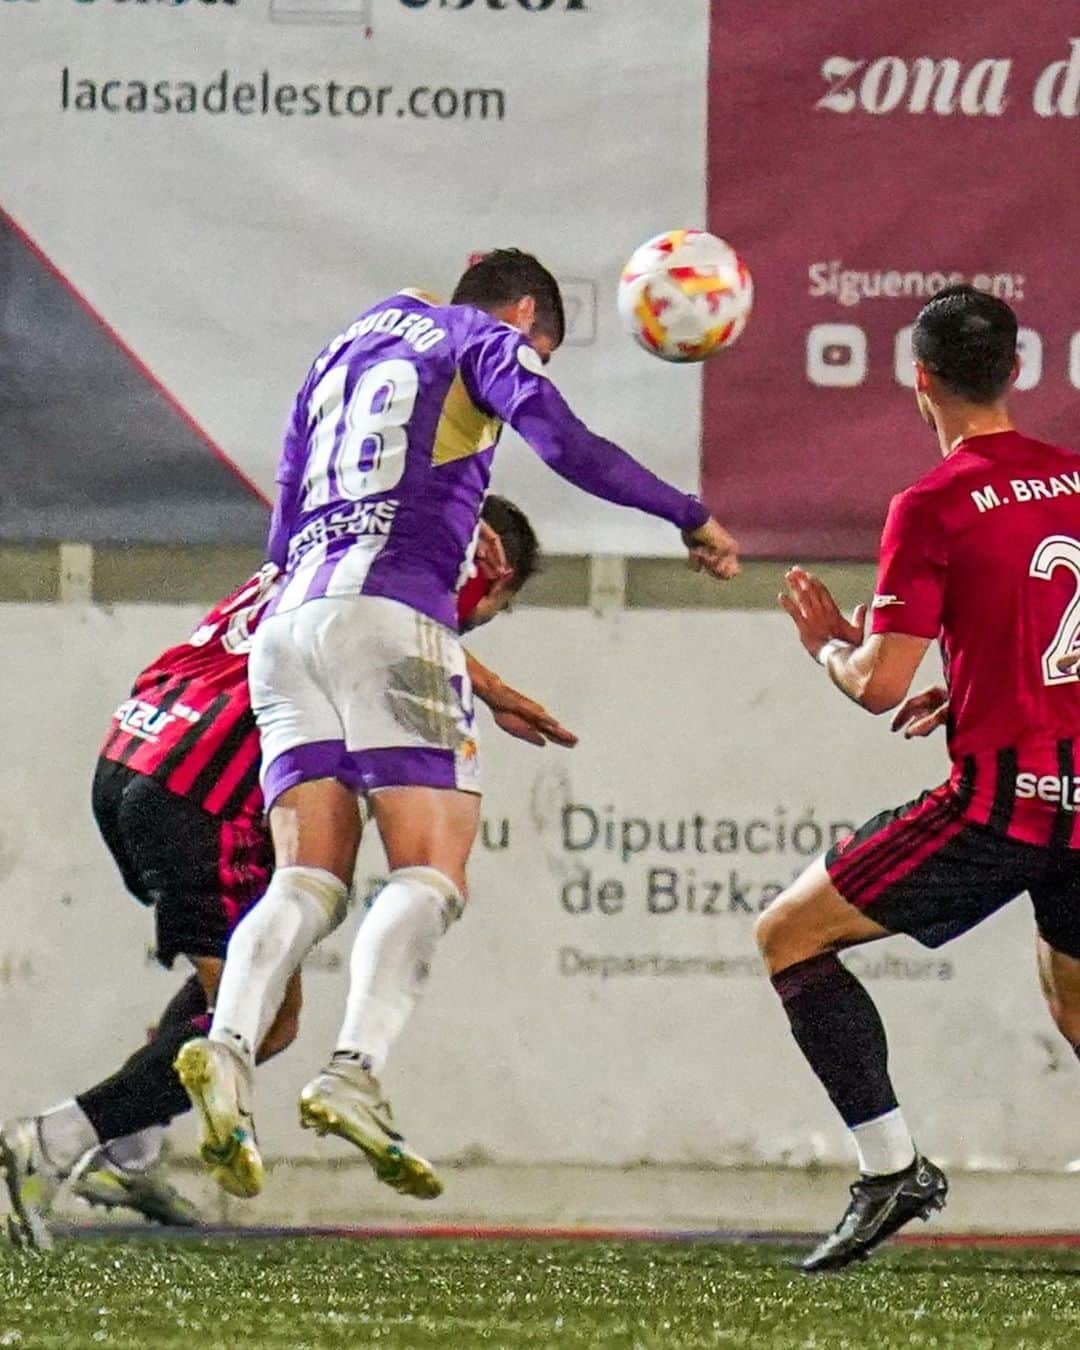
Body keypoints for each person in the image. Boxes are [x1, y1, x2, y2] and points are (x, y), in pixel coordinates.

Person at [175, 248, 740, 1203]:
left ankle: (227, 1048)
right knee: (430, 871)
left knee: (309, 875)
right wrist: (685, 514)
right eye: (543, 350)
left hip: (284, 624)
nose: (536, 363)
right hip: (395, 609)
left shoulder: (337, 351)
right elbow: (565, 444)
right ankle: (353, 1072)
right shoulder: (481, 338)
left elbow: (280, 529)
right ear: (524, 315)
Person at [0, 497, 570, 1251]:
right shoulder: (429, 583)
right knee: (267, 1018)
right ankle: (51, 1142)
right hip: (203, 795)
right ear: (492, 578)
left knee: (234, 984)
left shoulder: (331, 548)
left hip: (132, 753)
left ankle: (126, 1148)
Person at [760, 285, 1080, 1273]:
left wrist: (828, 650)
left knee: (788, 936)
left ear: (920, 381)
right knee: (1074, 998)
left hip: (1002, 805)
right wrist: (981, 686)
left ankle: (890, 1168)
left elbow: (877, 684)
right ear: (1018, 373)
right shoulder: (1074, 478)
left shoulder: (935, 502)